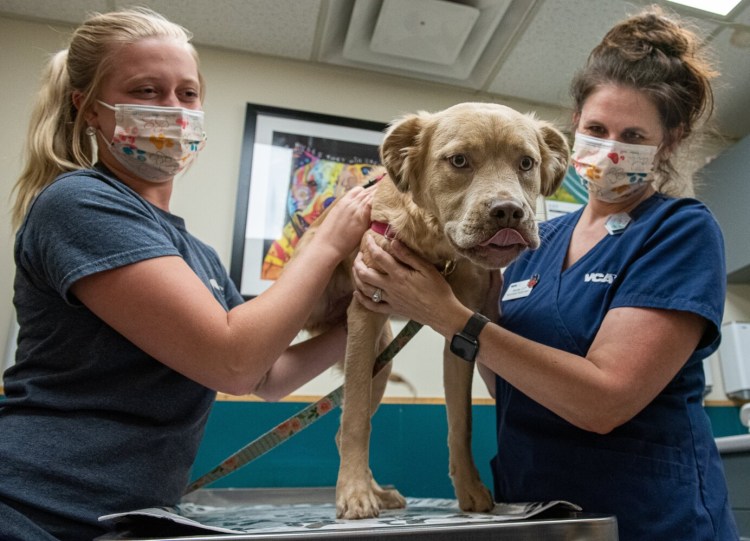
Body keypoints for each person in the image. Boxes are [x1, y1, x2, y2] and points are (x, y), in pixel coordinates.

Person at [352, 6, 738, 541]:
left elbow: (603, 401)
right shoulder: (533, 241)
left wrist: (445, 314)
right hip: (534, 510)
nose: (608, 148)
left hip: (647, 519)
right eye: (596, 128)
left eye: (632, 135)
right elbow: (505, 376)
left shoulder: (680, 232)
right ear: (574, 126)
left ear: (666, 143)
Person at [0, 8, 373, 541]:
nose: (174, 111)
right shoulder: (79, 204)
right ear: (89, 108)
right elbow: (235, 362)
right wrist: (331, 237)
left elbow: (269, 377)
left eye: (187, 94)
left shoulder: (197, 256)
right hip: (32, 511)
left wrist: (373, 314)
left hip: (119, 519)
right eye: (147, 91)